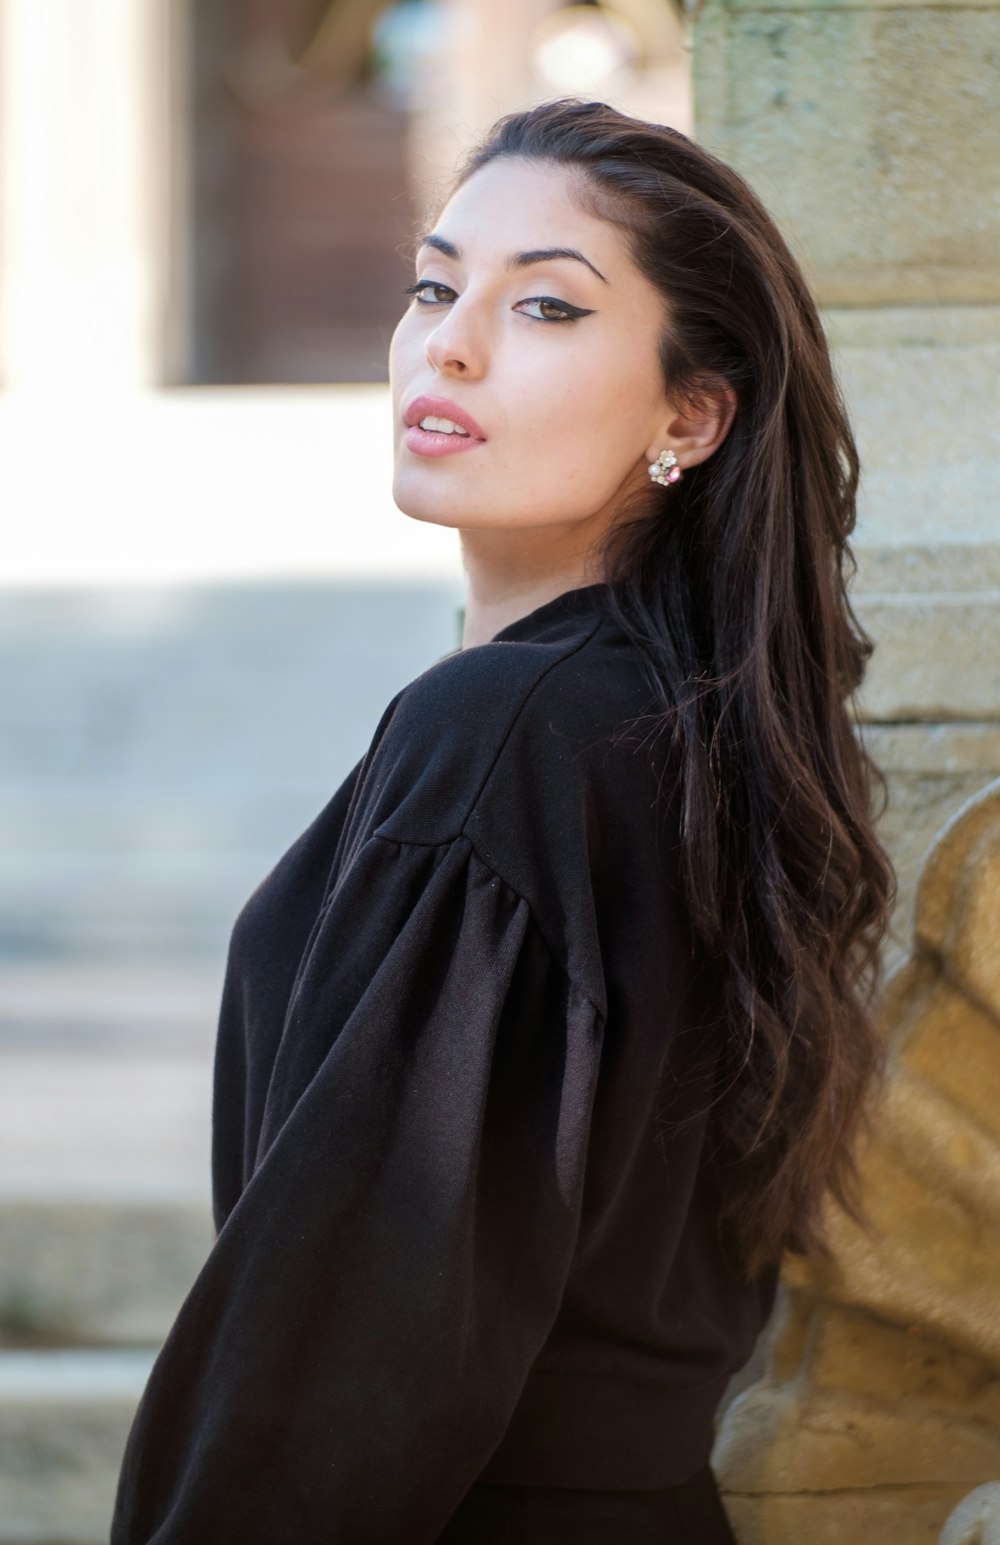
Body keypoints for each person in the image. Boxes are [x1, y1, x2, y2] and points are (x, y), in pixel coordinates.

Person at [110, 97, 896, 1543]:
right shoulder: (670, 727)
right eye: (433, 285)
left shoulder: (510, 736)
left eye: (544, 305)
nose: (449, 343)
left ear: (692, 414)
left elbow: (345, 1347)